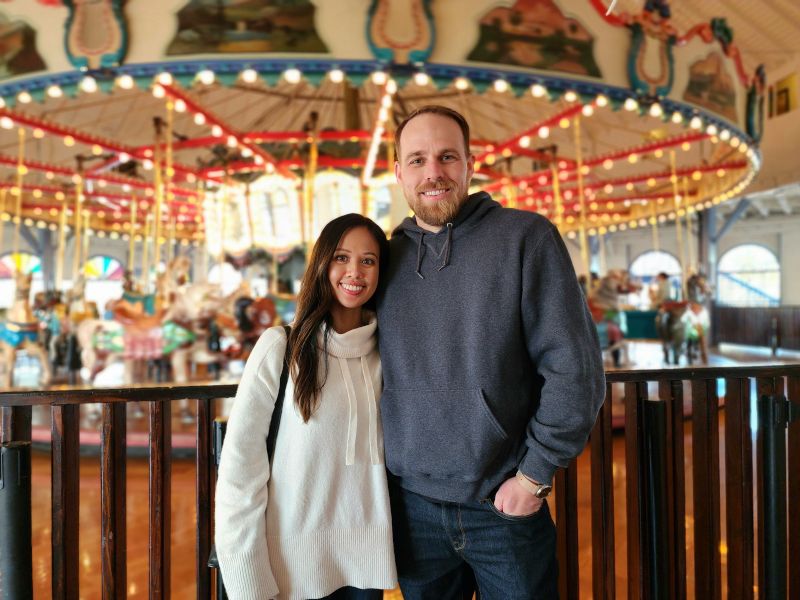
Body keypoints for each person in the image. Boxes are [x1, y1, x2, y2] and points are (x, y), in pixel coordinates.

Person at [377, 105, 606, 599]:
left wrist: (534, 475)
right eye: (416, 160)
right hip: (412, 505)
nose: (432, 172)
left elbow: (574, 367)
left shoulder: (526, 237)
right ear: (398, 172)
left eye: (446, 157)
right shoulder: (387, 258)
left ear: (469, 164)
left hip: (502, 502)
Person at [215, 213, 397, 600]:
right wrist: (249, 581)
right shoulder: (281, 347)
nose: (355, 272)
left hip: (366, 570)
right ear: (321, 264)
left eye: (369, 260)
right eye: (342, 258)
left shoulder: (387, 354)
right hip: (288, 571)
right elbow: (239, 471)